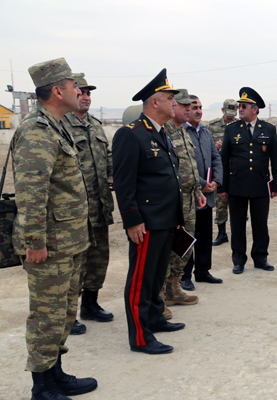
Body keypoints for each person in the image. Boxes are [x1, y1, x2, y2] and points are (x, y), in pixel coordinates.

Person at [12, 57, 98, 400]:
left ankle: (56, 374)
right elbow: (31, 193)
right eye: (74, 85)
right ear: (58, 90)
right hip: (49, 244)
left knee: (63, 313)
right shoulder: (36, 129)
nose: (80, 90)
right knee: (46, 315)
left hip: (70, 241)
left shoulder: (58, 124)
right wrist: (35, 241)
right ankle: (41, 386)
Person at [113, 69, 206, 355]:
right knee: (140, 280)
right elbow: (124, 182)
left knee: (154, 277)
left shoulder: (162, 132)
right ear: (155, 102)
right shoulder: (131, 135)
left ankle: (154, 318)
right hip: (147, 223)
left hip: (166, 221)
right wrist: (132, 219)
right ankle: (140, 337)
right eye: (170, 98)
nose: (175, 104)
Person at [61, 73, 115, 337]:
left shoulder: (95, 125)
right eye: (80, 92)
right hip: (75, 212)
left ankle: (90, 305)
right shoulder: (61, 125)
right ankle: (68, 315)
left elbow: (107, 159)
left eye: (89, 93)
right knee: (75, 264)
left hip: (100, 207)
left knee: (98, 259)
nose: (85, 97)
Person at [217, 87, 277, 274]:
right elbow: (224, 160)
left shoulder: (268, 129)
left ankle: (260, 258)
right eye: (239, 106)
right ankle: (238, 260)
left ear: (254, 109)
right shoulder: (231, 130)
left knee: (260, 224)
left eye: (244, 106)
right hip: (236, 185)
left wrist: (276, 184)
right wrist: (222, 187)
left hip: (260, 185)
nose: (240, 109)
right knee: (237, 225)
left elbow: (275, 159)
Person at [160, 89, 202, 316]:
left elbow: (190, 166)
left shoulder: (184, 132)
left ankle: (174, 288)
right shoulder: (164, 132)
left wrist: (197, 190)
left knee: (184, 246)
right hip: (172, 200)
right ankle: (159, 297)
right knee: (167, 248)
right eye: (184, 105)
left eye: (192, 106)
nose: (189, 109)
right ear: (172, 106)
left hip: (189, 199)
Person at [181, 94, 224, 290]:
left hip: (207, 194)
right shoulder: (179, 133)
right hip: (190, 196)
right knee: (188, 236)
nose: (198, 111)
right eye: (194, 107)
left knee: (205, 234)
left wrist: (216, 181)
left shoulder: (205, 132)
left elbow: (216, 158)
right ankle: (185, 275)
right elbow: (182, 165)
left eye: (200, 107)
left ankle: (203, 271)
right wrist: (201, 184)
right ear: (185, 109)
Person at [208, 99, 238, 246]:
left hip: (236, 172)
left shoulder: (240, 125)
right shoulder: (213, 127)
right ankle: (222, 233)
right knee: (220, 203)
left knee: (237, 203)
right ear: (222, 110)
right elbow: (205, 149)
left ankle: (237, 232)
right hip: (220, 172)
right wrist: (215, 146)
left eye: (233, 114)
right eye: (228, 114)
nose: (230, 117)